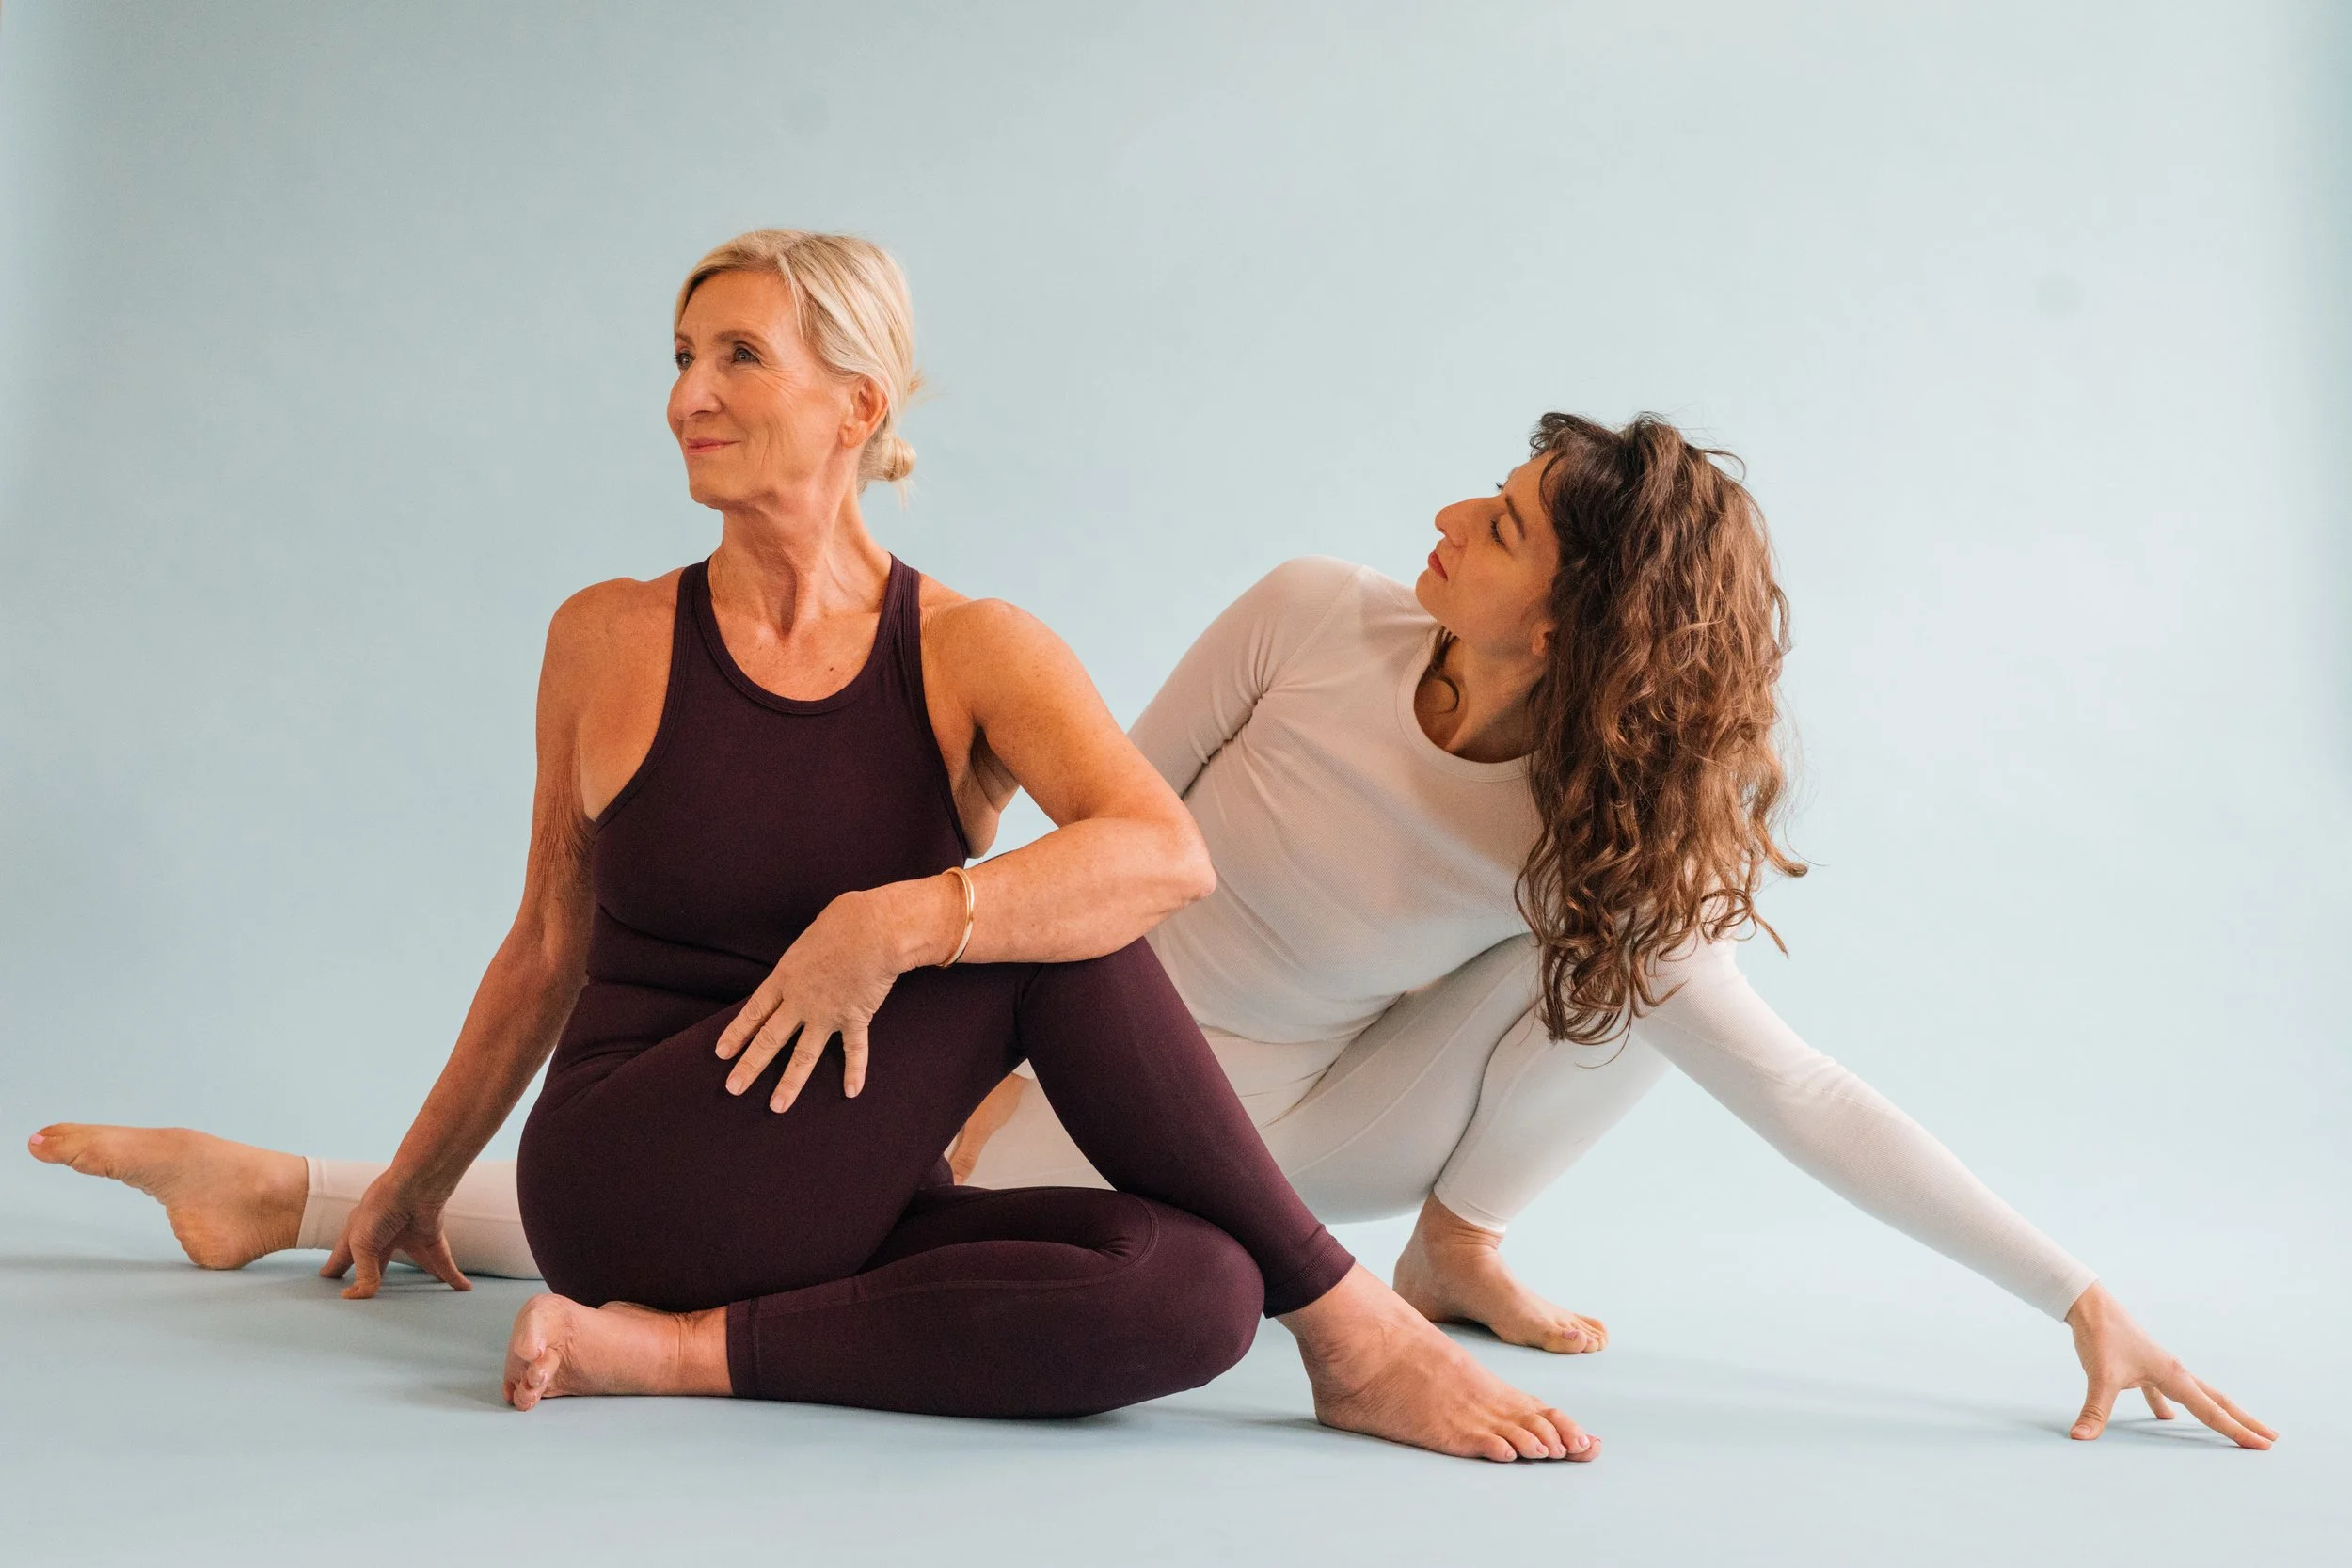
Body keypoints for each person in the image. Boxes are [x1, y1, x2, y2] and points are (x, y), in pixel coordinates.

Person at [31, 265, 2269, 1453]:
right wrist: (902, 943)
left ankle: (1437, 1260)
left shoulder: (1586, 806)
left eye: (1490, 525)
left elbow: (1804, 1090)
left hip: (1295, 1117)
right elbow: (1081, 835)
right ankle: (312, 1188)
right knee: (1099, 912)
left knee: (1621, 957)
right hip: (1059, 1061)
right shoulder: (1311, 614)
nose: (1440, 519)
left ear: (1570, 613)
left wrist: (2070, 1289)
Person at [28, 229, 1598, 1465]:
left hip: (838, 1188)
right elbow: (547, 943)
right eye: (679, 356)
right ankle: (1355, 1321)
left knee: (1193, 1294)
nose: (684, 395)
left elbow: (1165, 853)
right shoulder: (610, 635)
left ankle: (673, 1356)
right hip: (634, 1170)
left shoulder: (973, 648)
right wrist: (417, 1180)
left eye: (735, 355)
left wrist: (898, 922)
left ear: (859, 403)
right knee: (1059, 939)